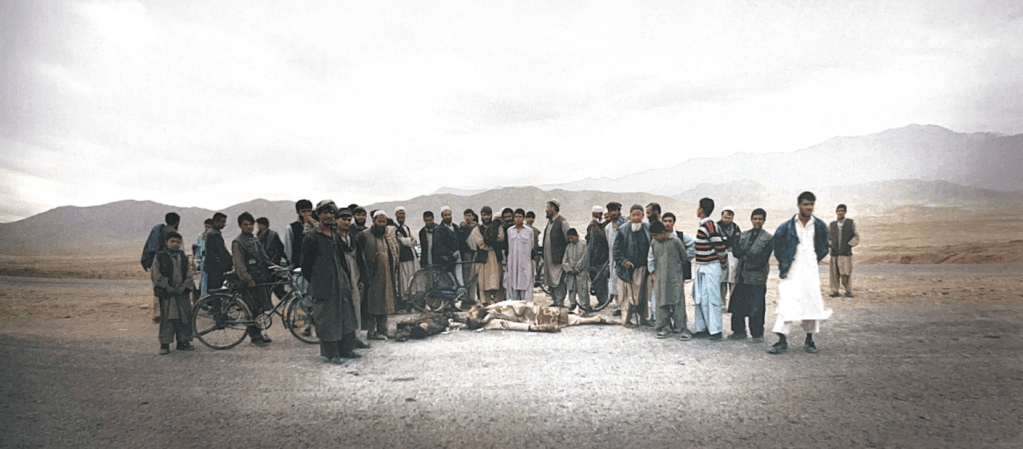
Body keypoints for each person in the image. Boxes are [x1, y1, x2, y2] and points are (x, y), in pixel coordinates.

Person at [768, 192, 832, 354]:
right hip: (791, 272)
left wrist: (812, 260)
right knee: (786, 303)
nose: (808, 207)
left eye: (811, 204)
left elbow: (824, 247)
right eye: (805, 204)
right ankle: (781, 340)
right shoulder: (786, 227)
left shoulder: (819, 226)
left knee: (811, 303)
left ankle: (809, 340)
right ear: (799, 205)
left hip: (810, 273)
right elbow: (778, 248)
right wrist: (787, 262)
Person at [301, 200, 360, 363]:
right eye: (325, 213)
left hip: (341, 282)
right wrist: (317, 282)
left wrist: (346, 279)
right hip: (324, 284)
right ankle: (331, 353)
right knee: (328, 318)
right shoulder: (312, 237)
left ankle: (346, 350)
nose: (328, 216)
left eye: (331, 213)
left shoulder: (335, 235)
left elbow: (342, 258)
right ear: (318, 215)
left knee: (346, 316)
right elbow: (306, 266)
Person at [728, 209, 774, 342]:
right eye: (755, 219)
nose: (757, 221)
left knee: (756, 307)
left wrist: (747, 259)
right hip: (742, 276)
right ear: (751, 219)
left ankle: (757, 334)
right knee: (738, 305)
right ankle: (739, 331)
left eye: (760, 219)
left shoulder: (769, 238)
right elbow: (736, 251)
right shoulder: (744, 235)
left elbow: (763, 259)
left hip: (757, 278)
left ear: (764, 220)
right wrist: (746, 257)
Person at [232, 212, 273, 345]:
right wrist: (247, 279)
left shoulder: (254, 240)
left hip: (260, 278)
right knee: (251, 309)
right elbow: (239, 264)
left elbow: (264, 257)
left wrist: (275, 267)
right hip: (249, 281)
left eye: (251, 224)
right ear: (240, 226)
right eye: (246, 224)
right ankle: (255, 337)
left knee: (260, 308)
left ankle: (261, 333)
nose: (249, 227)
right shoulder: (238, 242)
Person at [151, 231, 195, 354]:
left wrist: (184, 287)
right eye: (172, 241)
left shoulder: (183, 257)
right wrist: (166, 286)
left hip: (182, 294)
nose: (175, 244)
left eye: (178, 242)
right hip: (167, 295)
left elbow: (189, 274)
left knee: (184, 318)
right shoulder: (160, 256)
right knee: (167, 319)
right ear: (166, 242)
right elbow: (156, 274)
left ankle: (183, 342)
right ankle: (165, 344)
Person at [358, 210, 400, 340]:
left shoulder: (387, 235)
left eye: (384, 222)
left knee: (385, 302)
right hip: (371, 276)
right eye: (379, 221)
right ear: (373, 221)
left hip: (386, 275)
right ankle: (371, 332)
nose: (381, 224)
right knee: (371, 304)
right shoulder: (364, 235)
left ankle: (382, 330)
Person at [648, 220, 693, 339]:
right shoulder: (654, 243)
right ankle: (664, 327)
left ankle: (681, 328)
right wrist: (652, 273)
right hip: (660, 277)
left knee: (677, 302)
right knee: (661, 302)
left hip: (675, 277)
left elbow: (684, 257)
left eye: (656, 235)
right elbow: (652, 257)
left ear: (663, 233)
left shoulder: (676, 241)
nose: (654, 237)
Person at [692, 198, 728, 340]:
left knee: (712, 299)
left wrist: (722, 261)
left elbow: (719, 246)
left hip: (710, 267)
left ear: (701, 210)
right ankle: (702, 328)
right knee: (700, 298)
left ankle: (715, 330)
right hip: (701, 266)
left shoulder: (710, 226)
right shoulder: (704, 225)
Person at [613, 204, 651, 328]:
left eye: (638, 214)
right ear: (630, 216)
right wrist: (624, 262)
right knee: (627, 296)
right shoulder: (622, 230)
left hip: (644, 268)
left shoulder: (647, 229)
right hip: (628, 269)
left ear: (643, 216)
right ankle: (626, 320)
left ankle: (644, 319)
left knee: (643, 295)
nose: (636, 217)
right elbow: (616, 250)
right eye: (633, 214)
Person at [336, 208, 368, 345]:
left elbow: (359, 259)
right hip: (341, 278)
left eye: (349, 220)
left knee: (356, 307)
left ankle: (356, 337)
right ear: (337, 220)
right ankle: (344, 342)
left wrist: (362, 278)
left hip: (354, 275)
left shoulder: (352, 237)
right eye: (343, 219)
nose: (346, 222)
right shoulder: (334, 238)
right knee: (344, 310)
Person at [142, 212, 180, 323]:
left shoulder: (158, 230)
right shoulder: (173, 234)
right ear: (176, 222)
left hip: (155, 263)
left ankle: (157, 314)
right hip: (168, 264)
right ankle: (169, 314)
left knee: (157, 288)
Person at [470, 206, 505, 304]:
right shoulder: (477, 229)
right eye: (484, 215)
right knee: (483, 283)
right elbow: (481, 244)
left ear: (491, 215)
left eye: (488, 215)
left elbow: (500, 238)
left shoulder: (498, 227)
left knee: (497, 281)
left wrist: (491, 242)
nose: (486, 217)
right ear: (481, 216)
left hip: (496, 259)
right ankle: (485, 303)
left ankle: (497, 303)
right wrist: (492, 245)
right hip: (483, 260)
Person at [543, 200, 571, 307]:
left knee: (559, 279)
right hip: (548, 258)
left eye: (547, 207)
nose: (546, 210)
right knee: (550, 278)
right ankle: (554, 299)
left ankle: (560, 301)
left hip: (558, 258)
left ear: (553, 209)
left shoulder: (562, 222)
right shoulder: (550, 223)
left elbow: (569, 239)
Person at [284, 199, 314, 296]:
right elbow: (288, 248)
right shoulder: (292, 228)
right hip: (299, 267)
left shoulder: (316, 227)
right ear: (298, 212)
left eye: (309, 211)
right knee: (300, 295)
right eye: (303, 211)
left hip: (315, 266)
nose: (306, 214)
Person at [829, 204, 859, 298]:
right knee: (834, 274)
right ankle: (834, 291)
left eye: (842, 211)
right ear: (836, 212)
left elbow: (856, 237)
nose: (840, 212)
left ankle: (848, 291)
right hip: (834, 253)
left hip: (845, 253)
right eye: (838, 211)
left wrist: (848, 245)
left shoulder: (850, 223)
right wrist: (830, 244)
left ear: (845, 212)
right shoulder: (832, 225)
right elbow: (827, 237)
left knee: (845, 273)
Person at [256, 216, 288, 303]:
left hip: (273, 265)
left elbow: (281, 249)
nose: (257, 226)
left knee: (278, 288)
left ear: (264, 225)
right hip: (265, 266)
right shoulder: (259, 235)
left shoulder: (273, 235)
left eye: (259, 224)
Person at [505, 208, 535, 301]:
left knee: (525, 281)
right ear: (514, 218)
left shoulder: (529, 231)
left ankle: (526, 303)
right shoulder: (510, 231)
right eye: (516, 217)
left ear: (524, 218)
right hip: (513, 261)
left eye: (520, 217)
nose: (518, 219)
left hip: (525, 261)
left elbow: (531, 245)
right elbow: (508, 245)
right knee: (513, 281)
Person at [717, 206, 742, 312]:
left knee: (733, 280)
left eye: (729, 218)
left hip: (733, 256)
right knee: (722, 281)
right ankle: (721, 305)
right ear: (722, 216)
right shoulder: (717, 227)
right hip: (720, 256)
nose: (727, 220)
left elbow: (738, 241)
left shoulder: (735, 227)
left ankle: (733, 305)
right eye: (725, 217)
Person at [604, 202, 626, 315]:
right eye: (610, 211)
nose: (613, 213)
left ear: (619, 211)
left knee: (624, 283)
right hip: (612, 259)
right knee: (614, 283)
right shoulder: (608, 228)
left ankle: (627, 307)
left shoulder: (625, 225)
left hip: (623, 258)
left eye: (615, 210)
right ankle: (619, 307)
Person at [393, 206, 419, 302]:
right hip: (402, 257)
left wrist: (409, 240)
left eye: (403, 213)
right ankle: (405, 299)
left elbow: (413, 241)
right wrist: (409, 239)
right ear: (396, 214)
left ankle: (412, 298)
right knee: (404, 279)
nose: (401, 215)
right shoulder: (395, 228)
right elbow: (403, 241)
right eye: (399, 213)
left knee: (411, 277)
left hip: (410, 256)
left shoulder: (406, 227)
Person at [586, 206, 609, 310]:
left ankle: (603, 301)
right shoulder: (592, 225)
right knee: (595, 279)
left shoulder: (604, 225)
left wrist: (595, 228)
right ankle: (601, 299)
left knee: (601, 280)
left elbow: (602, 238)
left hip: (601, 257)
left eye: (596, 214)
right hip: (593, 257)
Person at [203, 212, 232, 296]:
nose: (224, 225)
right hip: (215, 267)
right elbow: (221, 251)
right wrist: (231, 261)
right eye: (222, 222)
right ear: (216, 221)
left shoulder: (212, 232)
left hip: (212, 266)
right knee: (216, 291)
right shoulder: (214, 234)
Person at [562, 228, 590, 313]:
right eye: (569, 238)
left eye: (572, 237)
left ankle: (584, 306)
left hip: (581, 271)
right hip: (571, 272)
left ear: (577, 236)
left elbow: (584, 258)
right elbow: (564, 260)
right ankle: (572, 304)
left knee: (582, 289)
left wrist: (577, 268)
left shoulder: (583, 244)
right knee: (571, 288)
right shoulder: (568, 247)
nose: (571, 240)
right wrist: (569, 269)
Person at [433, 206, 462, 282]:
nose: (448, 217)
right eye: (445, 215)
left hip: (458, 258)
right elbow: (438, 246)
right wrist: (451, 253)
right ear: (442, 216)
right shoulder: (439, 230)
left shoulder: (456, 227)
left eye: (449, 214)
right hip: (446, 260)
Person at [458, 209, 479, 303]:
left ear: (473, 216)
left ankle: (472, 297)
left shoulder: (477, 227)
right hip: (465, 254)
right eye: (466, 215)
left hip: (475, 253)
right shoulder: (461, 228)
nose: (468, 218)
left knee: (473, 276)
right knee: (466, 276)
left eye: (469, 215)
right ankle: (465, 298)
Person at [192, 218, 213, 300]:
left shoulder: (214, 236)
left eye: (209, 227)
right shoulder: (201, 237)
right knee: (204, 282)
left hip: (212, 263)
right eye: (206, 227)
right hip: (203, 262)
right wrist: (198, 261)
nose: (207, 229)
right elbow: (198, 251)